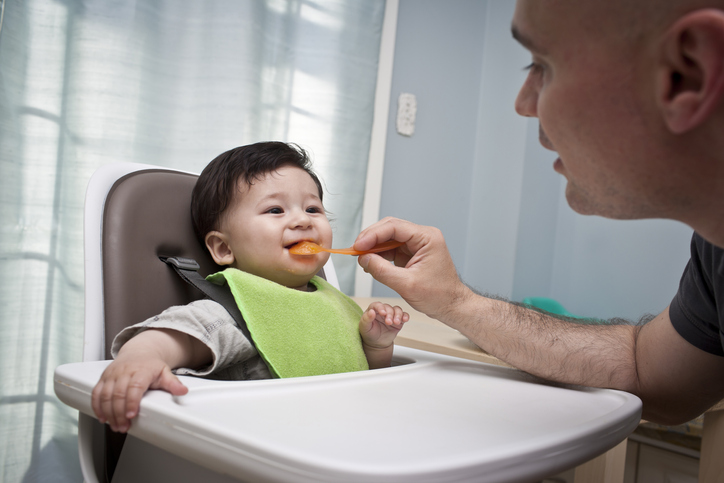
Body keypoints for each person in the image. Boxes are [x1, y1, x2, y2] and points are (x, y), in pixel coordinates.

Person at [352, 0, 724, 426]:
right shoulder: (716, 249)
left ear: (687, 72)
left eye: (542, 65)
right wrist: (453, 300)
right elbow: (645, 369)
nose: (524, 103)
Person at [91, 142, 409, 433]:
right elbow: (175, 335)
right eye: (275, 210)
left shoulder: (335, 303)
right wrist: (140, 359)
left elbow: (363, 377)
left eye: (313, 209)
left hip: (344, 437)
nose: (303, 220)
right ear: (224, 249)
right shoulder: (239, 311)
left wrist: (377, 346)